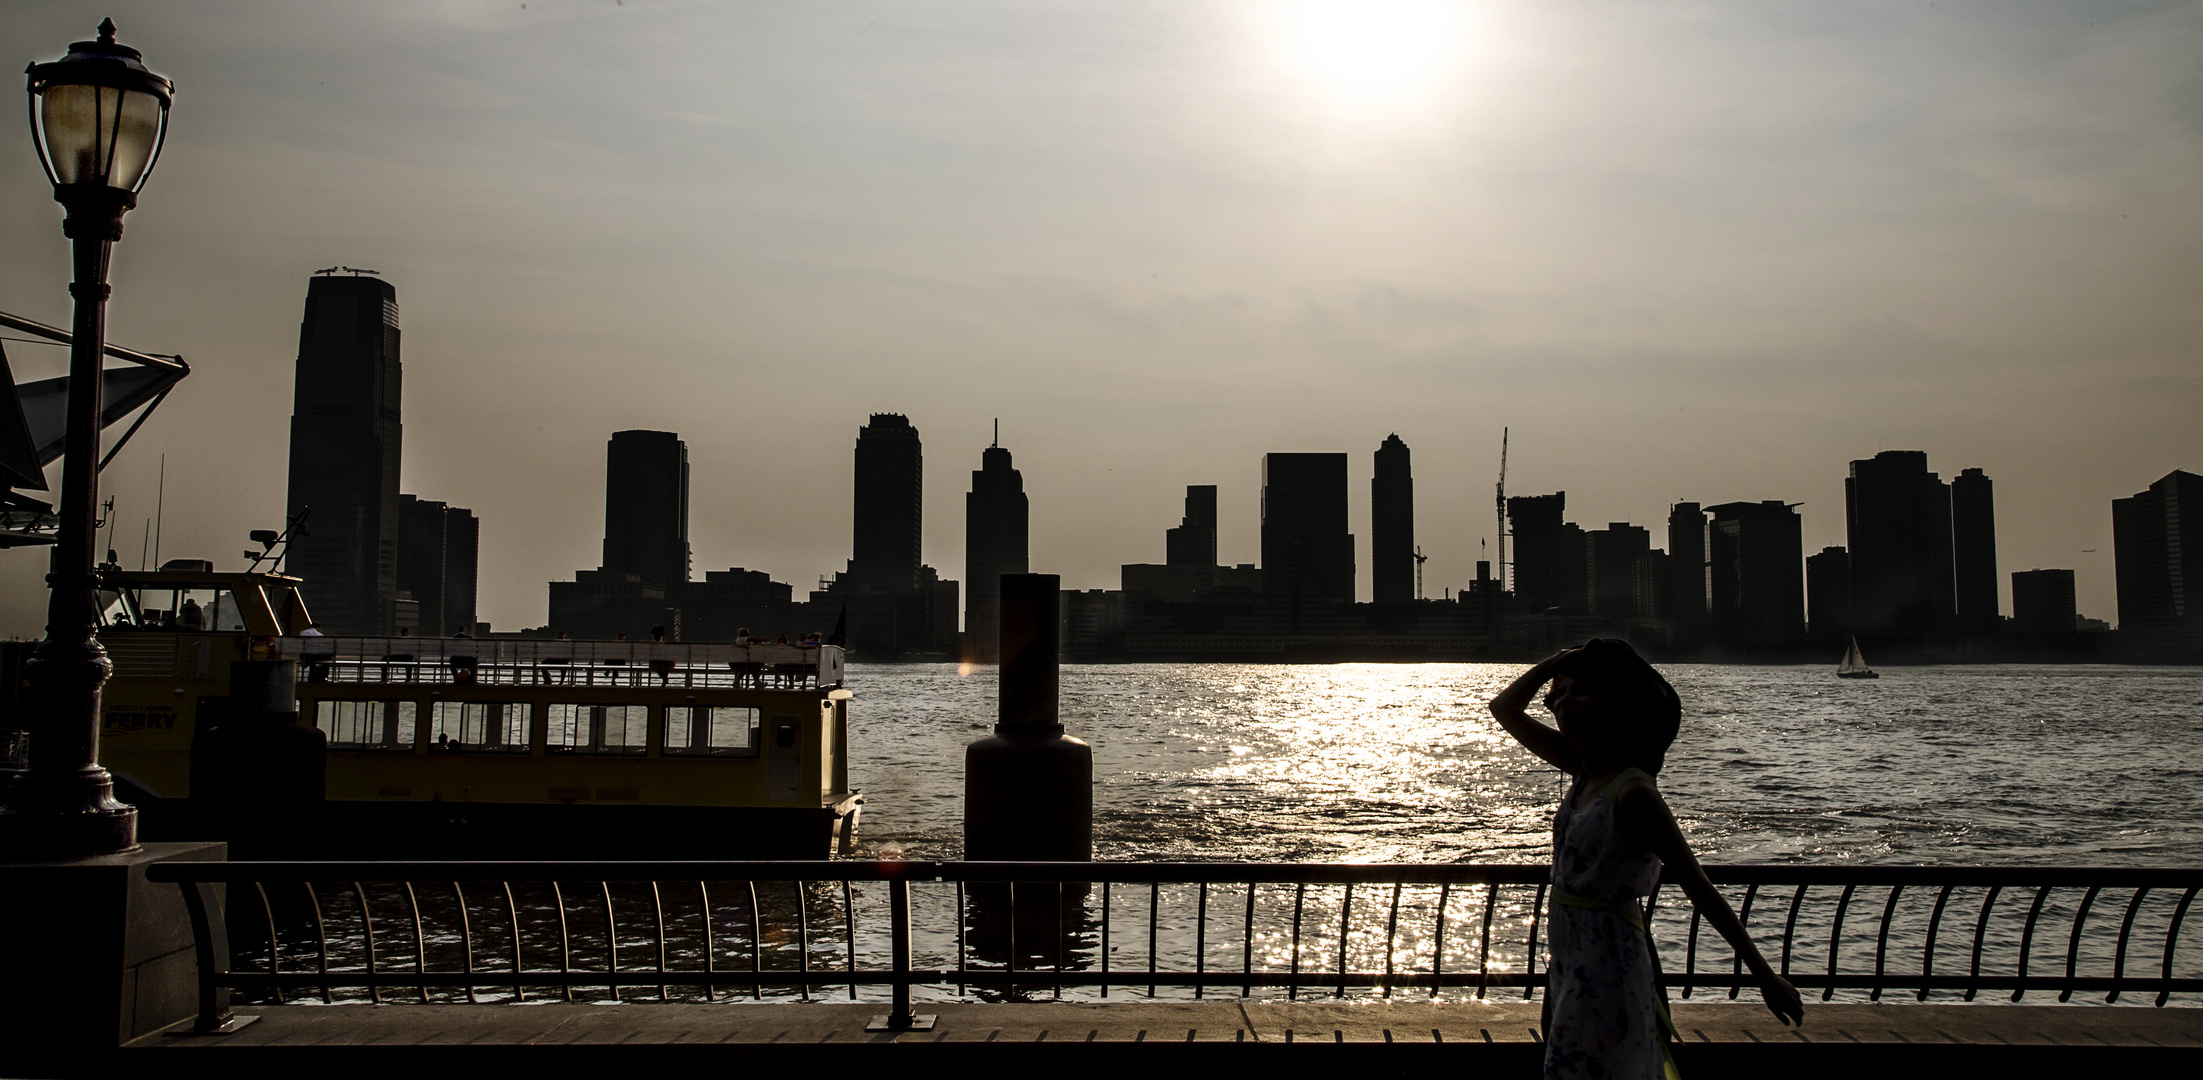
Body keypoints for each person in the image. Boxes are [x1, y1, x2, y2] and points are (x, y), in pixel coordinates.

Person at [1489, 639, 1802, 1079]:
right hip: (1569, 954)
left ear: (1612, 708)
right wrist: (1558, 662)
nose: (1564, 699)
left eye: (1580, 692)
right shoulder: (1580, 767)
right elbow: (1503, 708)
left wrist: (1764, 976)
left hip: (1611, 957)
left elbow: (1699, 888)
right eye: (1562, 692)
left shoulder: (1633, 793)